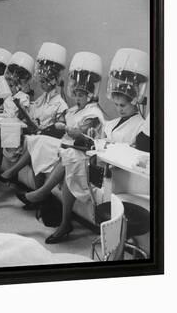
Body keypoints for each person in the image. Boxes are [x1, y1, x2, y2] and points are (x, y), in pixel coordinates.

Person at [45, 48, 148, 244]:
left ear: (135, 102)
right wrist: (95, 138)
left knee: (72, 159)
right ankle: (62, 220)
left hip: (116, 172)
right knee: (71, 158)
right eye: (116, 105)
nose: (119, 109)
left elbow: (129, 152)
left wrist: (103, 144)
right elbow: (100, 138)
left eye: (123, 106)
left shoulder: (140, 125)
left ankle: (62, 220)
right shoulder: (114, 121)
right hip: (100, 162)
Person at [10, 53, 105, 215]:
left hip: (84, 153)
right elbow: (59, 125)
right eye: (75, 94)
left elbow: (78, 133)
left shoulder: (94, 113)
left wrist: (64, 128)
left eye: (80, 95)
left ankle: (38, 193)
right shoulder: (75, 109)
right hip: (66, 145)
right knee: (36, 141)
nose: (77, 98)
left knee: (53, 148)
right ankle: (37, 195)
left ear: (90, 95)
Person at [0, 42, 69, 186]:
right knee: (29, 140)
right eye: (40, 81)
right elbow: (31, 117)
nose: (41, 85)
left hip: (50, 141)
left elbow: (59, 130)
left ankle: (13, 175)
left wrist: (37, 127)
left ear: (53, 81)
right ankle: (28, 189)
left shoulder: (61, 104)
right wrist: (22, 112)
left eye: (44, 81)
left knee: (35, 143)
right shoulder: (41, 99)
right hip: (38, 135)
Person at [0, 51, 35, 203]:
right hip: (9, 130)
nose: (10, 87)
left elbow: (22, 118)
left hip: (19, 134)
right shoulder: (10, 97)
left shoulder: (23, 98)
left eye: (12, 85)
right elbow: (2, 110)